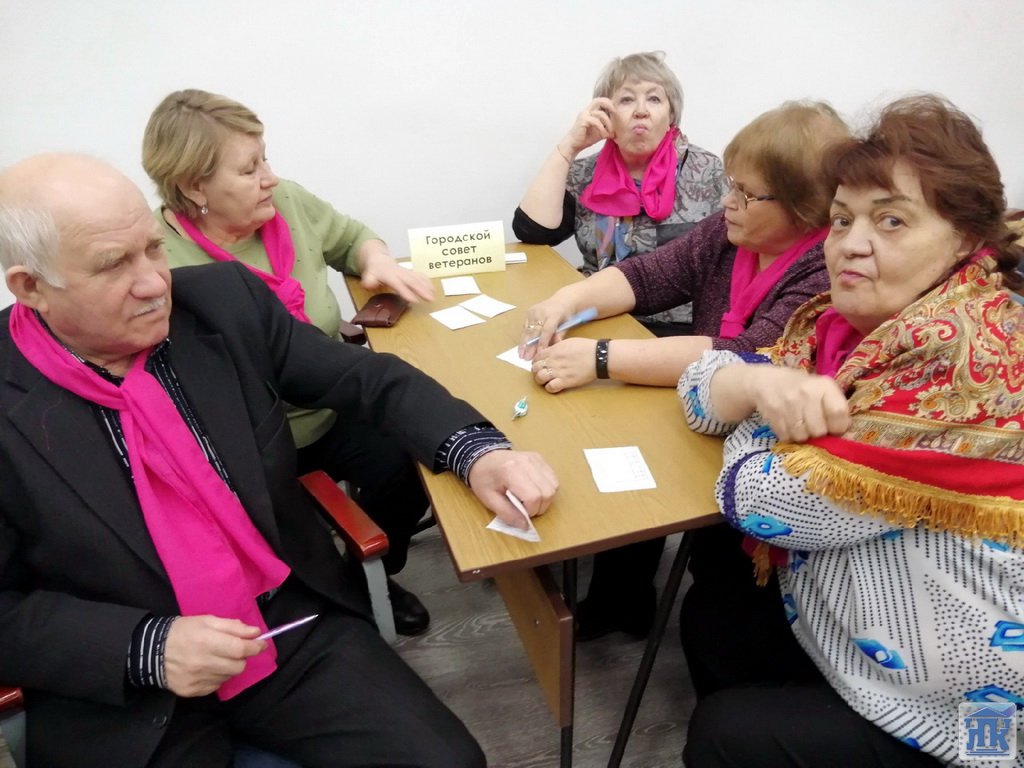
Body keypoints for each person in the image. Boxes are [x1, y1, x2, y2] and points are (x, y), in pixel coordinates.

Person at [0, 153, 558, 768]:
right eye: (113, 265)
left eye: (153, 248)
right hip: (124, 691)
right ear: (31, 287)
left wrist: (476, 452)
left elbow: (366, 380)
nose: (155, 283)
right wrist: (147, 648)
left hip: (285, 626)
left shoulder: (223, 303)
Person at [678, 95, 1024, 767]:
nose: (851, 244)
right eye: (842, 219)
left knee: (724, 732)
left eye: (891, 220)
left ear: (965, 239)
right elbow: (704, 386)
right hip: (866, 619)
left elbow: (763, 500)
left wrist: (755, 407)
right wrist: (759, 387)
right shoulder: (835, 325)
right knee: (715, 619)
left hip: (969, 706)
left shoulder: (964, 351)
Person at [519, 101, 847, 640]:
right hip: (706, 406)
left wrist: (600, 358)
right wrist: (565, 302)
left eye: (746, 193)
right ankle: (622, 601)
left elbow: (742, 352)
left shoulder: (825, 273)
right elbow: (646, 276)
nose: (728, 201)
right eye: (731, 185)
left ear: (805, 207)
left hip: (766, 449)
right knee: (628, 449)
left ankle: (636, 602)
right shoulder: (731, 233)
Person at [142, 89, 435, 635]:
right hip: (245, 438)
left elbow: (351, 238)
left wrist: (377, 261)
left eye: (266, 159)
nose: (269, 178)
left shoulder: (288, 203)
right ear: (193, 186)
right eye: (249, 169)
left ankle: (369, 577)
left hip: (325, 406)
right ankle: (326, 604)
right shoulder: (161, 259)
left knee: (406, 462)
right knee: (286, 542)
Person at [512, 51, 729, 336]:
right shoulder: (584, 174)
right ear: (605, 114)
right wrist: (569, 147)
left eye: (654, 99)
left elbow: (733, 259)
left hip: (678, 330)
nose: (641, 111)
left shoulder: (706, 170)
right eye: (626, 100)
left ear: (671, 115)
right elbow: (533, 232)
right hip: (596, 317)